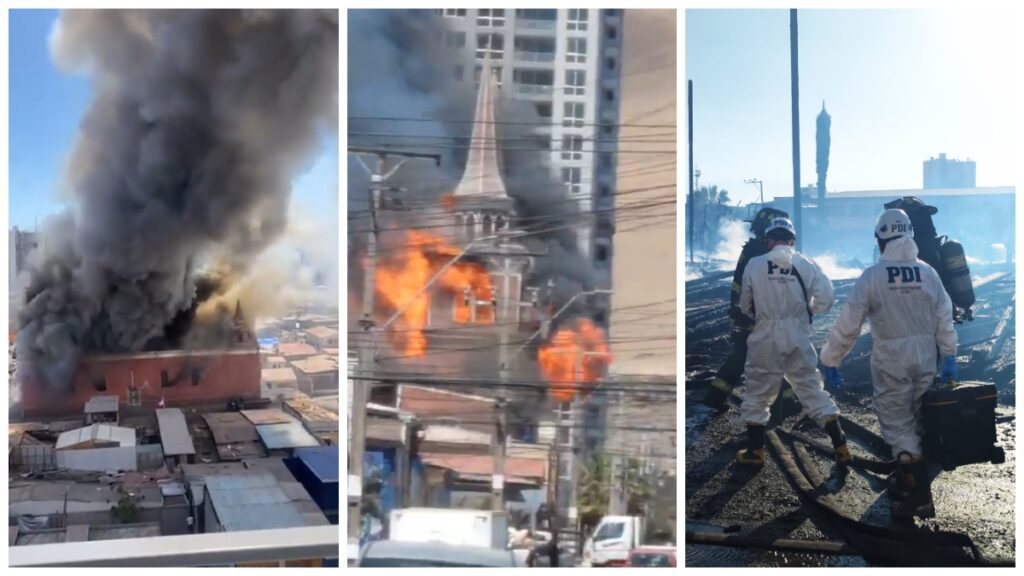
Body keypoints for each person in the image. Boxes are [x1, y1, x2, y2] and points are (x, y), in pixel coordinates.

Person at [819, 208, 957, 520]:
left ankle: (918, 496)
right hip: (926, 355)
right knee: (919, 416)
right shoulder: (928, 272)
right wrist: (949, 356)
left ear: (882, 239)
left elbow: (849, 324)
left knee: (896, 422)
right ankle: (905, 475)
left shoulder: (874, 276)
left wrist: (830, 358)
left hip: (892, 357)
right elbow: (944, 318)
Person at [735, 217, 851, 466]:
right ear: (792, 241)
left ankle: (755, 451)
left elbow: (745, 304)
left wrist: (762, 316)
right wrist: (808, 309)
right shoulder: (807, 263)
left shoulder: (755, 264)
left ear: (769, 241)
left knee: (757, 392)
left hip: (766, 337)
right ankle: (840, 445)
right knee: (811, 389)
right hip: (798, 336)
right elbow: (827, 298)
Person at [701, 207, 801, 417]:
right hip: (761, 316)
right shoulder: (766, 252)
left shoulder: (751, 249)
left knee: (743, 357)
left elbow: (740, 284)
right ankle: (786, 403)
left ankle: (715, 398)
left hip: (748, 314)